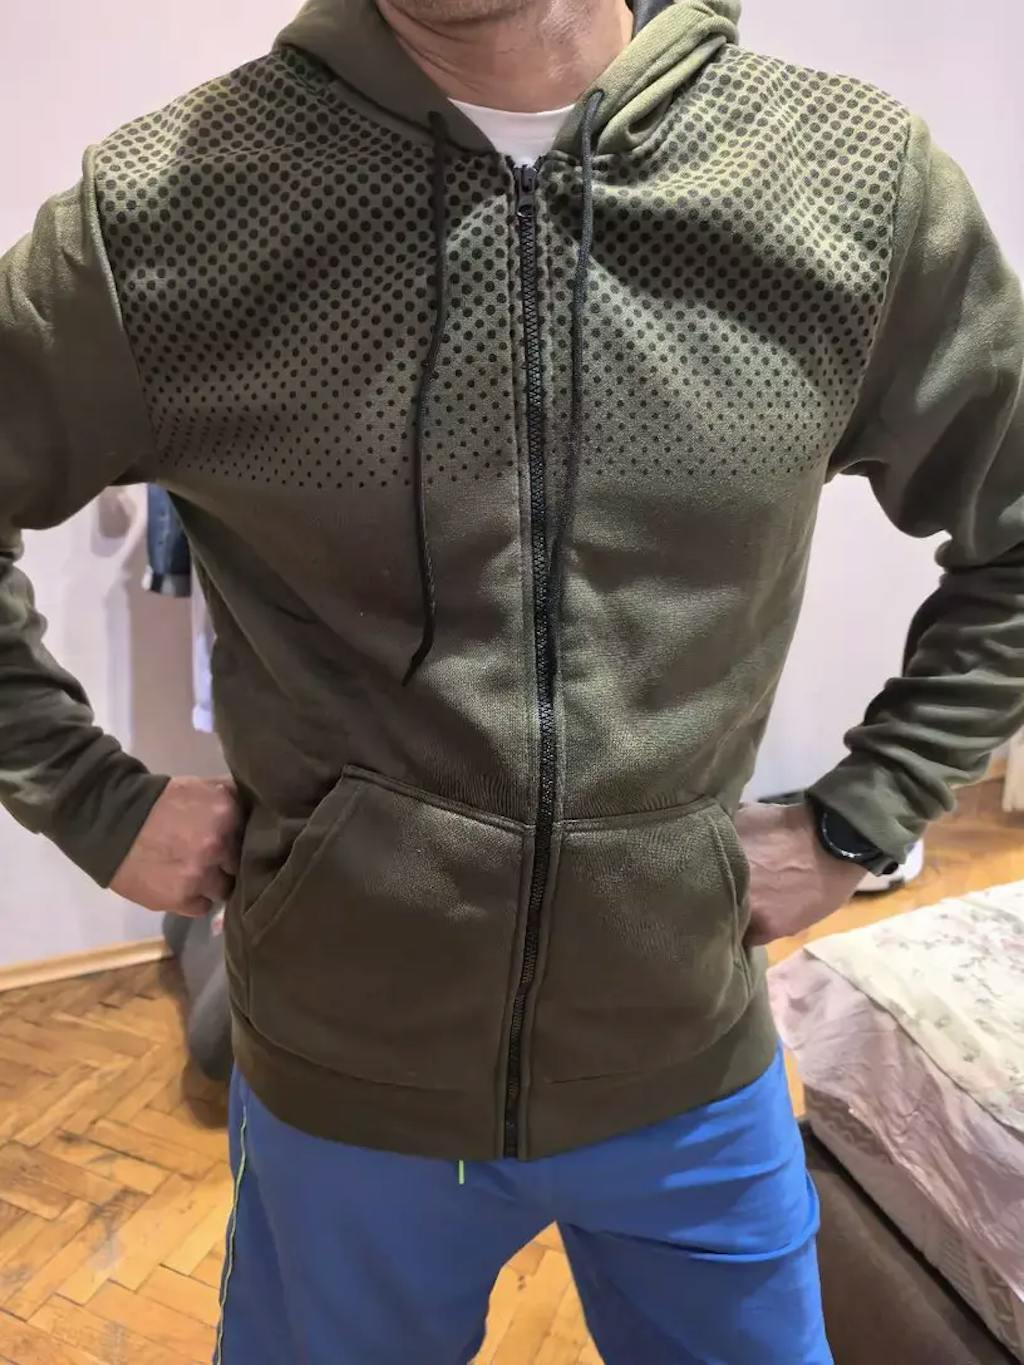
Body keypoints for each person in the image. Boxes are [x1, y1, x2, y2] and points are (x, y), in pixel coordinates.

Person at [2, 0, 1022, 1359]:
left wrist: (865, 815)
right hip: (345, 1096)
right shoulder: (171, 213)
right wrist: (90, 797)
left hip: (690, 1065)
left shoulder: (847, 184)